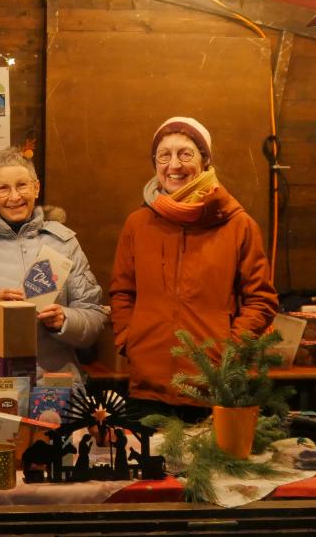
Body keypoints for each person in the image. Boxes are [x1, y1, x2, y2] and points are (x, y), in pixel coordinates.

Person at [109, 116, 277, 422]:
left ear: (205, 161)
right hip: (147, 389)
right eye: (164, 155)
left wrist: (230, 353)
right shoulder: (137, 224)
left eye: (186, 153)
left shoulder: (239, 226)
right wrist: (129, 341)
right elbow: (122, 292)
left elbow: (261, 300)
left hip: (213, 389)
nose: (174, 165)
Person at [0, 148, 106, 383]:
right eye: (3, 188)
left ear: (36, 188)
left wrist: (64, 320)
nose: (14, 197)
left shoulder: (65, 243)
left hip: (57, 384)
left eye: (22, 185)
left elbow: (94, 318)